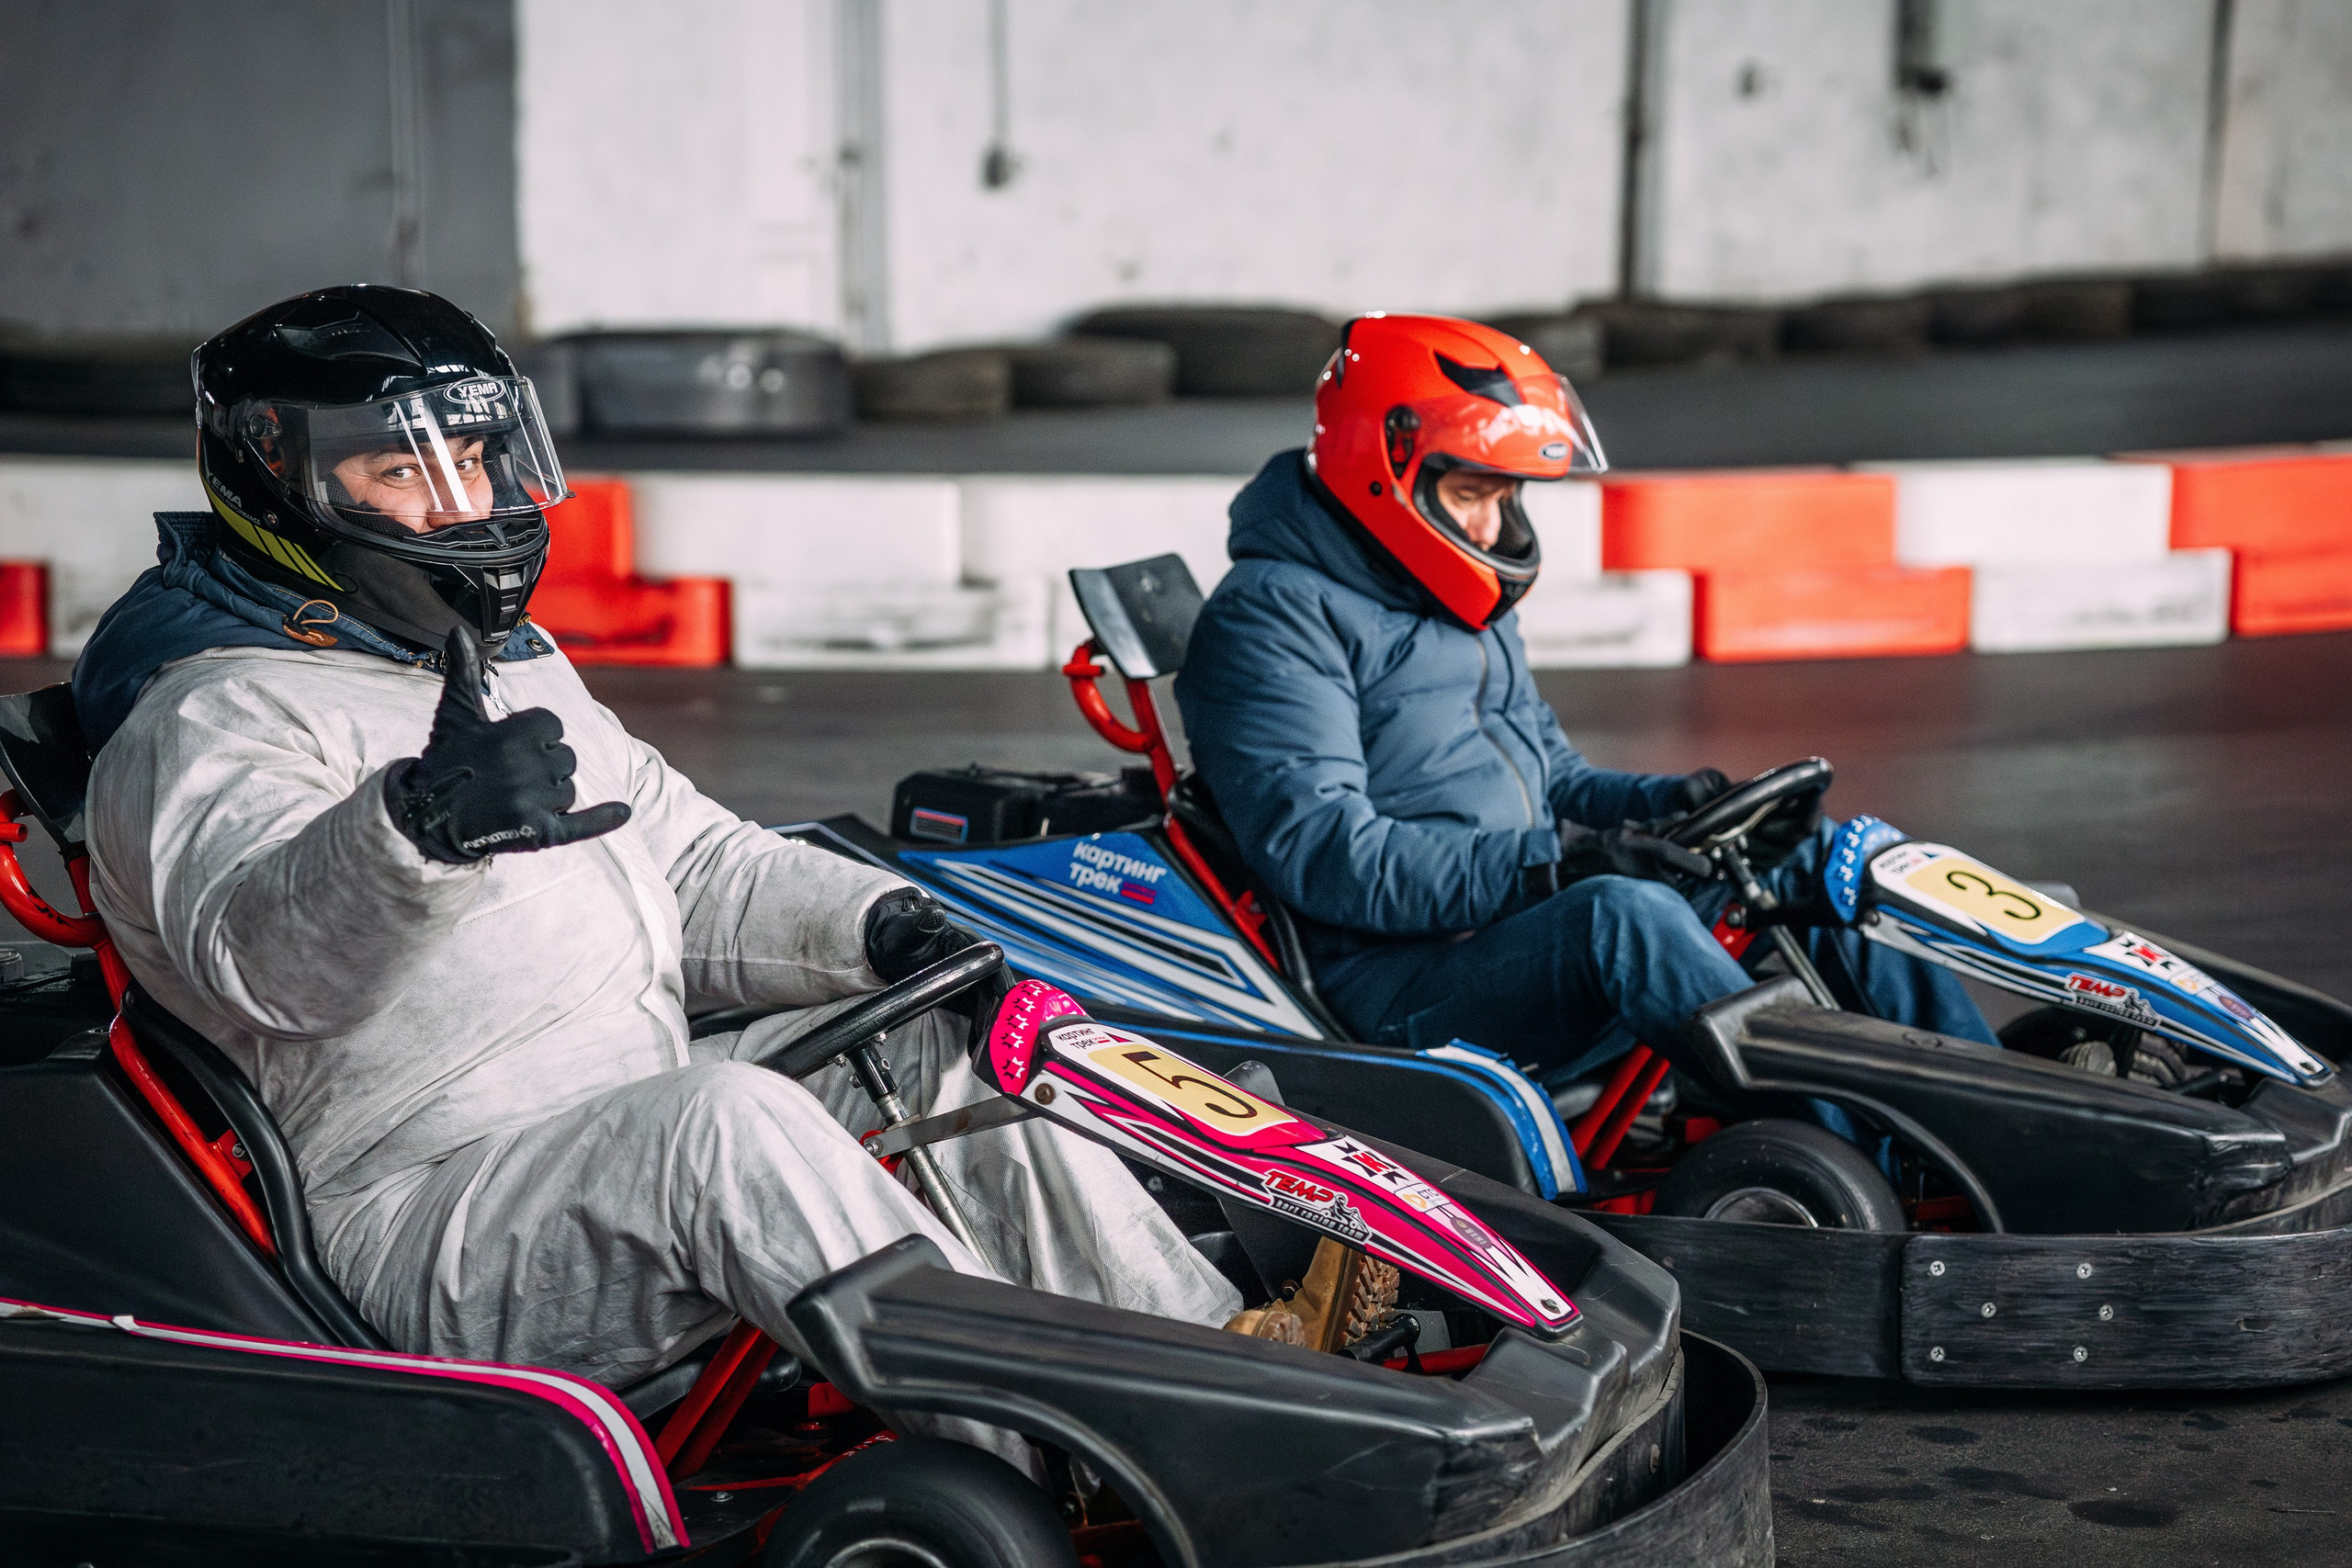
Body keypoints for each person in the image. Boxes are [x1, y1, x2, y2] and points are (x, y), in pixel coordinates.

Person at [74, 286, 1239, 1402]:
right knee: (721, 1124)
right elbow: (258, 962)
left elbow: (694, 869)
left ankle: (1217, 1364)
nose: (463, 505)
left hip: (617, 1122)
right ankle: (1063, 1443)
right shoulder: (206, 715)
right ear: (279, 484)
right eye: (403, 471)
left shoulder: (508, 663)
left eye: (475, 462)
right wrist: (414, 829)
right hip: (428, 1222)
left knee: (946, 1033)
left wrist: (875, 925)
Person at [1174, 313, 1991, 1098]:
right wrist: (1557, 868)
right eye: (1470, 494)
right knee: (1621, 914)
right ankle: (1854, 1154)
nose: (1493, 530)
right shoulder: (1272, 617)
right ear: (1383, 470)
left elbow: (1556, 779)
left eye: (1505, 499)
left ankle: (1988, 1099)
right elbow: (1330, 856)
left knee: (1821, 860)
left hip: (1512, 921)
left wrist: (1675, 807)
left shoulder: (1451, 600)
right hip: (1396, 986)